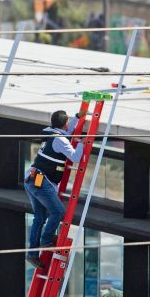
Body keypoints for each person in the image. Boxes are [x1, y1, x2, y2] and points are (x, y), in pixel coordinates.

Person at [23, 108, 87, 270]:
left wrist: (77, 118)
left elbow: (67, 132)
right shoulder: (61, 139)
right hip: (41, 182)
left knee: (39, 217)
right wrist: (83, 143)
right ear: (64, 124)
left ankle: (32, 254)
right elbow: (76, 157)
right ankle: (46, 240)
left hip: (31, 179)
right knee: (58, 212)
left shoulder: (51, 132)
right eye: (68, 123)